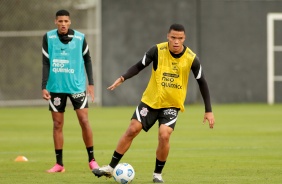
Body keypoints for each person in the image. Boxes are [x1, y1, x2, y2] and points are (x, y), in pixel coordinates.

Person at [92, 23, 215, 183]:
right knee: (132, 130)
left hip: (171, 105)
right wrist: (122, 78)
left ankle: (157, 175)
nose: (176, 42)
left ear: (184, 38)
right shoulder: (157, 50)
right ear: (167, 36)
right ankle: (110, 167)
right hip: (150, 101)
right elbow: (139, 66)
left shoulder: (191, 58)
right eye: (173, 38)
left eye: (180, 38)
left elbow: (202, 82)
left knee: (164, 135)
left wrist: (208, 110)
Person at [41, 9, 99, 173]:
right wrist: (44, 86)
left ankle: (92, 160)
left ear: (70, 22)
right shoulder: (48, 38)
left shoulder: (80, 38)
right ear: (55, 22)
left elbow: (87, 59)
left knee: (84, 121)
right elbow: (45, 62)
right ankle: (59, 164)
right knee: (57, 124)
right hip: (56, 87)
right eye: (60, 21)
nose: (63, 24)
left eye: (66, 21)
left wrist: (91, 84)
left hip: (77, 86)